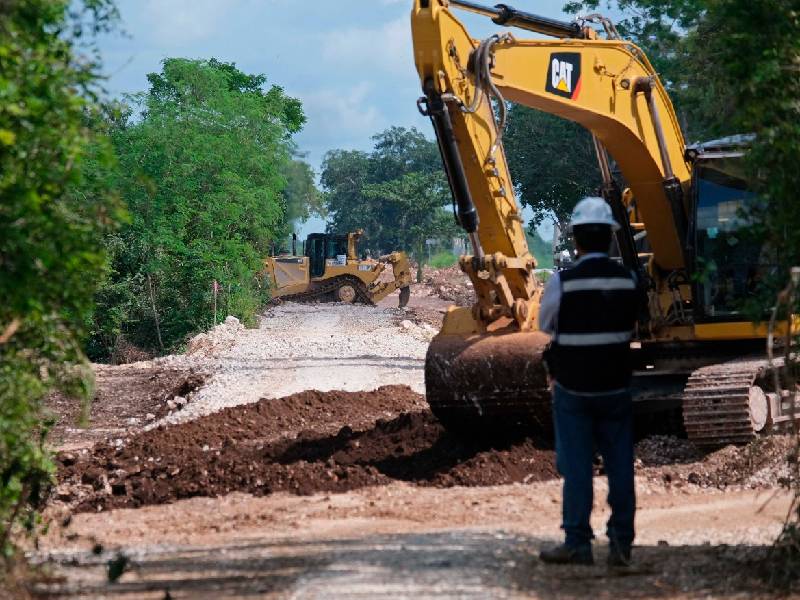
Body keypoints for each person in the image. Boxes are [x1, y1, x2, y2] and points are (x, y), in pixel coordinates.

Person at [538, 196, 641, 567]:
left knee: (577, 468)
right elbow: (633, 324)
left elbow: (545, 326)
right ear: (612, 238)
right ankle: (621, 544)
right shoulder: (629, 281)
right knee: (620, 467)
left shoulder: (561, 283)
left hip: (573, 391)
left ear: (576, 239)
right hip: (615, 389)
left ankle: (578, 544)